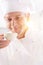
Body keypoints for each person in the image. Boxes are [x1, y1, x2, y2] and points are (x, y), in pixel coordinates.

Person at [0, 0, 43, 65]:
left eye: (18, 18)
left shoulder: (40, 38)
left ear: (27, 17)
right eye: (9, 19)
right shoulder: (3, 42)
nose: (13, 24)